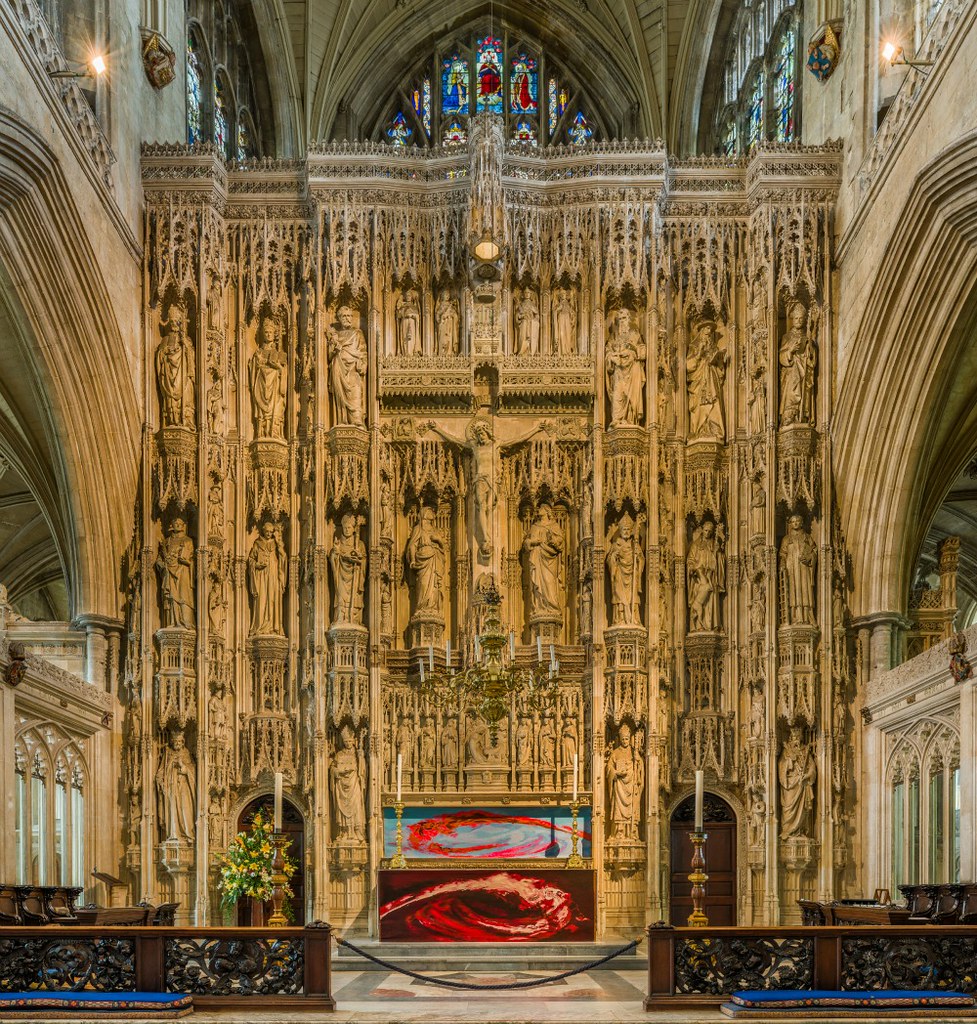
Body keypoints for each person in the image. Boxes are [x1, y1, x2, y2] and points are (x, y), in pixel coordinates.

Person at [155, 305, 195, 428]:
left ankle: (186, 421)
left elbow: (191, 357)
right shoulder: (166, 339)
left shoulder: (186, 339)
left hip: (182, 375)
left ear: (179, 321)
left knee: (187, 394)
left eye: (175, 321)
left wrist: (185, 346)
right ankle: (172, 420)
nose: (173, 323)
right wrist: (165, 352)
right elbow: (160, 356)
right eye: (171, 321)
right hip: (169, 375)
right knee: (170, 399)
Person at [686, 321, 727, 441]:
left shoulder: (714, 348)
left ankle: (714, 430)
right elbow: (688, 366)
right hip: (699, 382)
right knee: (700, 405)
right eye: (707, 329)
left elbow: (721, 373)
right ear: (701, 331)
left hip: (711, 380)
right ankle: (699, 430)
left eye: (711, 331)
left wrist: (719, 362)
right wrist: (699, 353)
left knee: (714, 404)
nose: (709, 333)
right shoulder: (694, 347)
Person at [248, 314, 287, 438]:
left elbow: (283, 371)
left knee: (276, 409)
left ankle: (274, 432)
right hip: (261, 384)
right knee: (262, 413)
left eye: (270, 332)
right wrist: (258, 363)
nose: (268, 334)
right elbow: (254, 370)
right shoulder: (258, 353)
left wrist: (278, 368)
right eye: (266, 332)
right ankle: (261, 432)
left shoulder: (280, 353)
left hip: (274, 387)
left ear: (275, 334)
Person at [328, 306, 367, 426]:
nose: (347, 318)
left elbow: (363, 351)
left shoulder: (357, 333)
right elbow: (329, 355)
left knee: (355, 393)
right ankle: (342, 420)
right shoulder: (335, 335)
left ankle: (356, 421)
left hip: (353, 368)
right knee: (340, 397)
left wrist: (363, 363)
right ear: (339, 318)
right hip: (338, 367)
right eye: (344, 316)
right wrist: (335, 349)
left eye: (349, 316)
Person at [605, 309, 646, 426]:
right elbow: (607, 352)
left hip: (632, 371)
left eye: (624, 318)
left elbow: (642, 352)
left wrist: (630, 352)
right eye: (620, 319)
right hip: (618, 372)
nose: (622, 321)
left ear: (629, 319)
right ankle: (617, 420)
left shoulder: (635, 335)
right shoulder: (614, 337)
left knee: (631, 397)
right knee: (617, 395)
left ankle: (630, 420)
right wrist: (612, 357)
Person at [779, 302, 817, 426]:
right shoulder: (787, 337)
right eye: (796, 318)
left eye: (801, 318)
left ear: (805, 319)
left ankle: (803, 416)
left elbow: (812, 359)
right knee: (791, 394)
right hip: (791, 372)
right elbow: (781, 357)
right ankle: (790, 417)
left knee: (804, 391)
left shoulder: (807, 337)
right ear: (792, 319)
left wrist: (809, 348)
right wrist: (790, 350)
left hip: (804, 370)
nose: (798, 320)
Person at [247, 520, 287, 635]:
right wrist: (257, 565)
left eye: (271, 532)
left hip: (273, 576)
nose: (269, 534)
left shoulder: (276, 543)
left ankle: (274, 627)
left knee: (273, 599)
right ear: (263, 531)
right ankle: (260, 627)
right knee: (262, 600)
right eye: (267, 532)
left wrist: (280, 546)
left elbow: (283, 558)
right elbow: (251, 560)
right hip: (261, 577)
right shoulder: (257, 543)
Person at [524, 504, 563, 618]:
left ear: (547, 511)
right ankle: (539, 607)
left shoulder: (554, 525)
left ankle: (552, 607)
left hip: (550, 558)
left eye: (541, 508)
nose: (539, 510)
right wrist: (532, 542)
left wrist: (552, 539)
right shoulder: (534, 526)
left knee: (549, 582)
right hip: (537, 557)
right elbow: (527, 543)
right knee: (537, 583)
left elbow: (560, 540)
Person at [156, 730, 195, 842]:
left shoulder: (187, 754)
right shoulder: (168, 754)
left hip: (184, 787)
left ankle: (188, 834)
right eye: (175, 741)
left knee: (185, 810)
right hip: (171, 788)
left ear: (183, 742)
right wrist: (161, 781)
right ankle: (174, 834)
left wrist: (183, 766)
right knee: (173, 811)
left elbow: (193, 771)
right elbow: (160, 771)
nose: (177, 743)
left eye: (179, 741)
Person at [405, 507, 446, 615]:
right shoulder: (418, 528)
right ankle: (422, 608)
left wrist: (438, 540)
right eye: (430, 511)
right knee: (423, 584)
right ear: (424, 514)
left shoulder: (435, 530)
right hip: (422, 558)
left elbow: (443, 546)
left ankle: (433, 608)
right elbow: (413, 545)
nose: (433, 513)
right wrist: (413, 560)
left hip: (434, 557)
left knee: (434, 586)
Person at [156, 518, 195, 629]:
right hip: (168, 572)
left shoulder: (188, 541)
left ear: (183, 525)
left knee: (184, 596)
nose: (178, 525)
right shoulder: (166, 542)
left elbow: (194, 560)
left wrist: (186, 562)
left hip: (183, 573)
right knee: (171, 597)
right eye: (175, 523)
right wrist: (162, 565)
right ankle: (172, 622)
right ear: (171, 525)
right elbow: (159, 559)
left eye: (180, 523)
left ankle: (185, 623)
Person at [687, 520, 725, 632]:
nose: (707, 533)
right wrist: (693, 568)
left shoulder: (714, 544)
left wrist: (719, 553)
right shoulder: (696, 545)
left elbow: (720, 560)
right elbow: (690, 560)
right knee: (698, 602)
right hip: (699, 578)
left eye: (710, 531)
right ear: (702, 530)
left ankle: (712, 626)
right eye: (706, 530)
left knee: (711, 602)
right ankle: (698, 626)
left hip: (711, 577)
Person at [606, 513, 644, 625]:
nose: (626, 532)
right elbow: (609, 560)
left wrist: (638, 558)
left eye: (628, 529)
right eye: (624, 529)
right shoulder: (616, 544)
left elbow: (641, 560)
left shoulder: (635, 545)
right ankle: (620, 619)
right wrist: (614, 557)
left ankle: (634, 619)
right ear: (621, 530)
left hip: (632, 575)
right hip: (619, 575)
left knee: (633, 598)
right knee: (619, 597)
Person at [780, 514, 817, 624]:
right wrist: (782, 564)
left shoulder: (807, 537)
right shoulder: (786, 539)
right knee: (793, 592)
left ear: (801, 523)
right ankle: (795, 617)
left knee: (805, 591)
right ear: (790, 524)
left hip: (803, 568)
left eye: (797, 521)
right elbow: (782, 553)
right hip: (791, 569)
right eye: (793, 521)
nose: (795, 523)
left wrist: (810, 557)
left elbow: (814, 551)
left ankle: (807, 617)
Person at [329, 513, 365, 625]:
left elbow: (364, 561)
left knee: (354, 600)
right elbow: (333, 558)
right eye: (344, 527)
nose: (347, 530)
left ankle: (354, 620)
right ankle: (341, 617)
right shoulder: (338, 543)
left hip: (355, 576)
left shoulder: (359, 544)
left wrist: (359, 560)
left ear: (354, 529)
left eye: (349, 527)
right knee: (341, 598)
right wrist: (335, 553)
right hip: (341, 576)